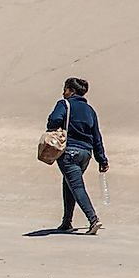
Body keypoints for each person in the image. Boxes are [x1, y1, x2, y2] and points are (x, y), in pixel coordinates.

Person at [48, 77, 109, 235]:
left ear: (72, 91)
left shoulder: (65, 104)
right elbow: (97, 137)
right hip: (86, 154)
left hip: (69, 152)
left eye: (65, 89)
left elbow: (53, 120)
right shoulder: (90, 111)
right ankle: (66, 222)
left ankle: (93, 219)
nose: (63, 92)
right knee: (69, 183)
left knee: (76, 186)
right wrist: (102, 159)